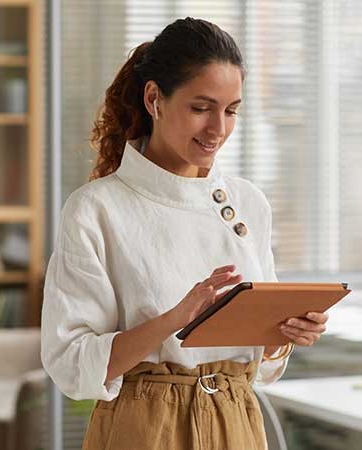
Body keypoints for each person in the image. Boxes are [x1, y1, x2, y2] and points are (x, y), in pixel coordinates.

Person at [40, 16, 329, 450]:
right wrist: (175, 320)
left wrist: (281, 337)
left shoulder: (248, 202)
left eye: (231, 111)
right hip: (143, 426)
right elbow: (71, 364)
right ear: (154, 99)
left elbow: (261, 368)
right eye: (201, 108)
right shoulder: (96, 209)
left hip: (238, 422)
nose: (218, 129)